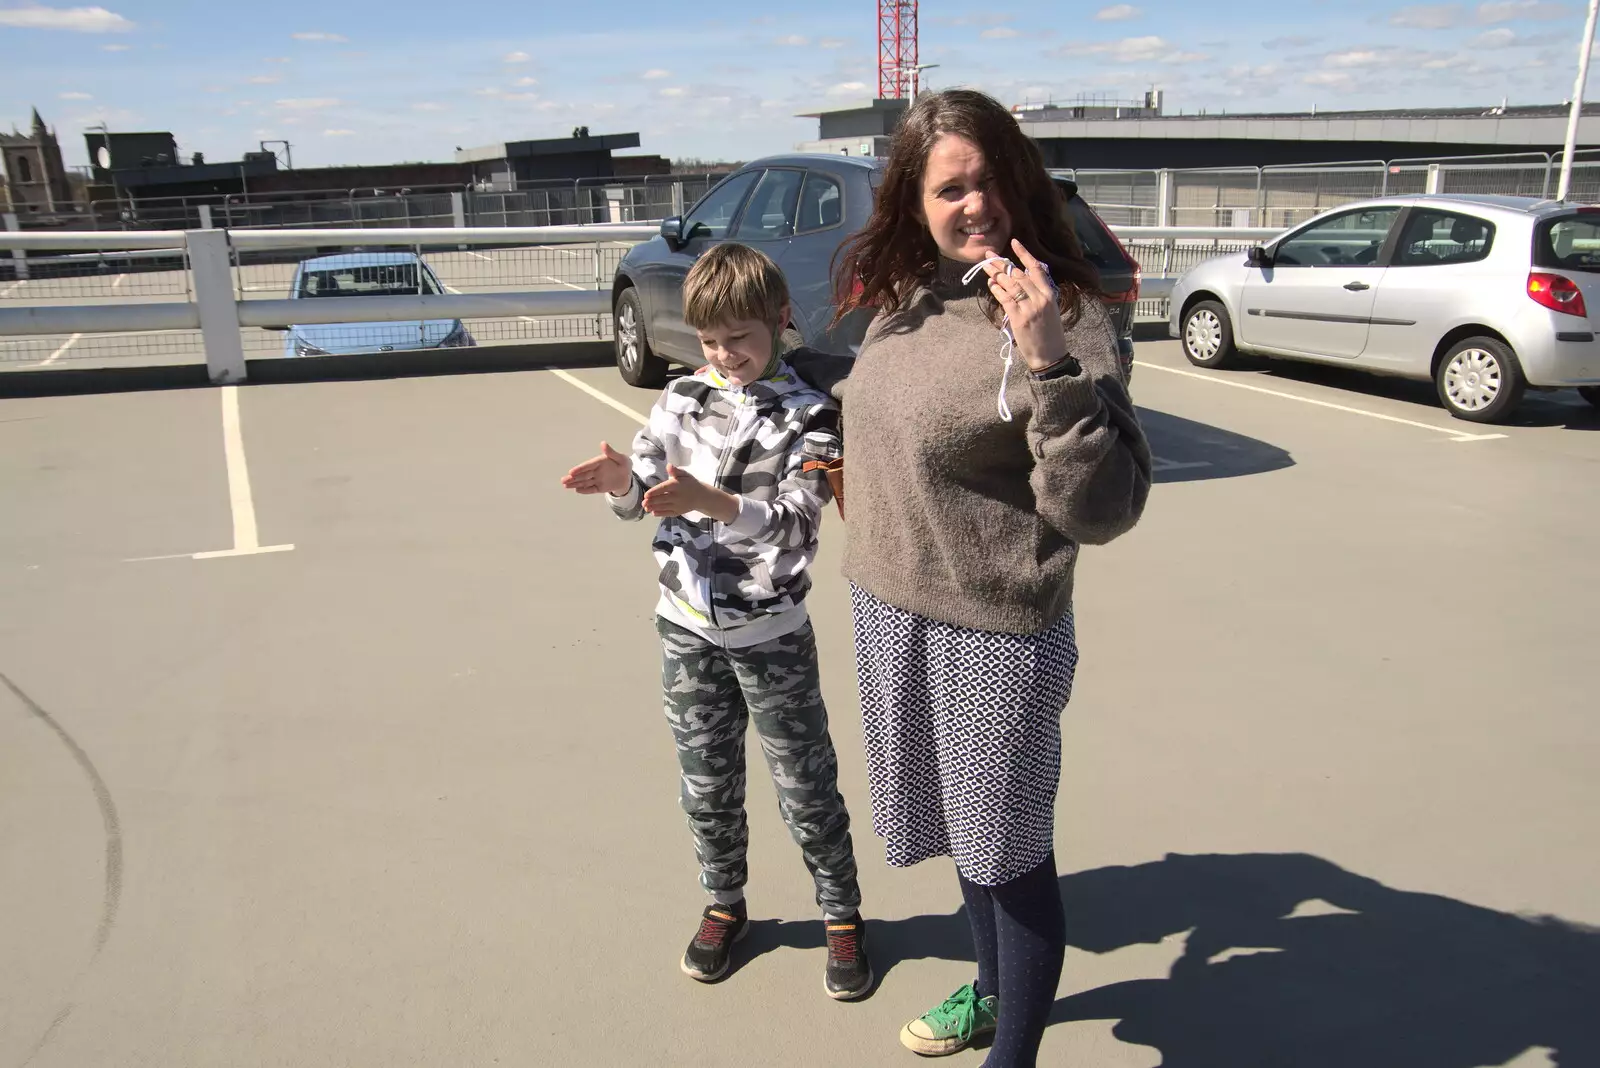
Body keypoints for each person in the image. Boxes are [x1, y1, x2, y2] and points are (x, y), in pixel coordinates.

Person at [791, 88, 1152, 1064]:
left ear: (1020, 182)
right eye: (949, 188)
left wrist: (1046, 364)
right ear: (915, 203)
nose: (974, 205)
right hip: (891, 605)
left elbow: (1101, 509)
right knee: (960, 830)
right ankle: (991, 990)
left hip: (995, 628)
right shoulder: (907, 302)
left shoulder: (1063, 314)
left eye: (989, 179)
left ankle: (1012, 1051)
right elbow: (883, 425)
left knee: (1010, 853)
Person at [560, 242, 873, 1000]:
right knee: (706, 783)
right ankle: (723, 902)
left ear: (779, 321)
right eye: (709, 340)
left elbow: (799, 524)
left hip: (771, 636)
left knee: (805, 783)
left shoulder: (813, 413)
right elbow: (641, 488)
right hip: (685, 627)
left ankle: (841, 914)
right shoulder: (679, 398)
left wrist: (717, 504)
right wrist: (618, 484)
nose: (725, 354)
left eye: (741, 336)